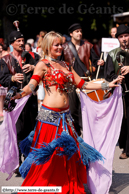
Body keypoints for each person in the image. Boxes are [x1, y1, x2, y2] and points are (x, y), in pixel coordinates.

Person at [11, 31, 123, 193]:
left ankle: (65, 185)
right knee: (50, 158)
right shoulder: (43, 64)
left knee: (67, 157)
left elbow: (83, 85)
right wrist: (18, 95)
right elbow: (32, 86)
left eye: (61, 44)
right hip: (49, 119)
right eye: (56, 44)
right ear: (48, 46)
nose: (60, 47)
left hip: (66, 119)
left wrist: (107, 85)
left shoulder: (65, 65)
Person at [0, 27, 39, 171]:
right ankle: (16, 161)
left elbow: (44, 69)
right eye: (18, 41)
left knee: (31, 130)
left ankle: (29, 159)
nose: (22, 43)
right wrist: (12, 77)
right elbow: (2, 78)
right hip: (14, 100)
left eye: (23, 40)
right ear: (12, 43)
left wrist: (34, 67)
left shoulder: (32, 57)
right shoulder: (5, 60)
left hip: (30, 100)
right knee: (17, 130)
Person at [59, 23, 104, 136]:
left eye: (80, 31)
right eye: (77, 31)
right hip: (70, 82)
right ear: (71, 34)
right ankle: (76, 134)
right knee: (73, 109)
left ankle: (88, 133)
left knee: (86, 109)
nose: (79, 33)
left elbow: (95, 61)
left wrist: (99, 62)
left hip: (85, 81)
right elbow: (59, 64)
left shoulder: (88, 46)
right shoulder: (64, 47)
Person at [104, 24, 129, 159]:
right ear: (117, 39)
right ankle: (125, 148)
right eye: (121, 37)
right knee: (123, 120)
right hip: (121, 92)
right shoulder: (113, 53)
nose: (124, 39)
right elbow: (108, 75)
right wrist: (117, 78)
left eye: (126, 36)